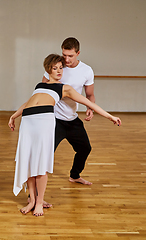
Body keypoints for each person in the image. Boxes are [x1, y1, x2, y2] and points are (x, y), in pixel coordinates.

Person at [8, 54, 121, 217]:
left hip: (44, 121)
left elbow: (88, 102)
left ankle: (40, 202)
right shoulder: (40, 84)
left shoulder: (65, 88)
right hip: (27, 122)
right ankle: (32, 200)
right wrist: (14, 116)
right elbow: (28, 103)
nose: (59, 71)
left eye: (61, 67)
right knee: (29, 163)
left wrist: (110, 116)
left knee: (40, 164)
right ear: (48, 70)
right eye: (55, 68)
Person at [42, 37, 96, 186]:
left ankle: (75, 175)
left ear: (78, 53)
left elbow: (90, 95)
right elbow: (42, 90)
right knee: (45, 155)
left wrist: (90, 107)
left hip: (72, 119)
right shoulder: (56, 67)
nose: (66, 59)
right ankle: (34, 194)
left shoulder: (86, 70)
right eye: (64, 55)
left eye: (70, 56)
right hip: (54, 120)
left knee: (85, 148)